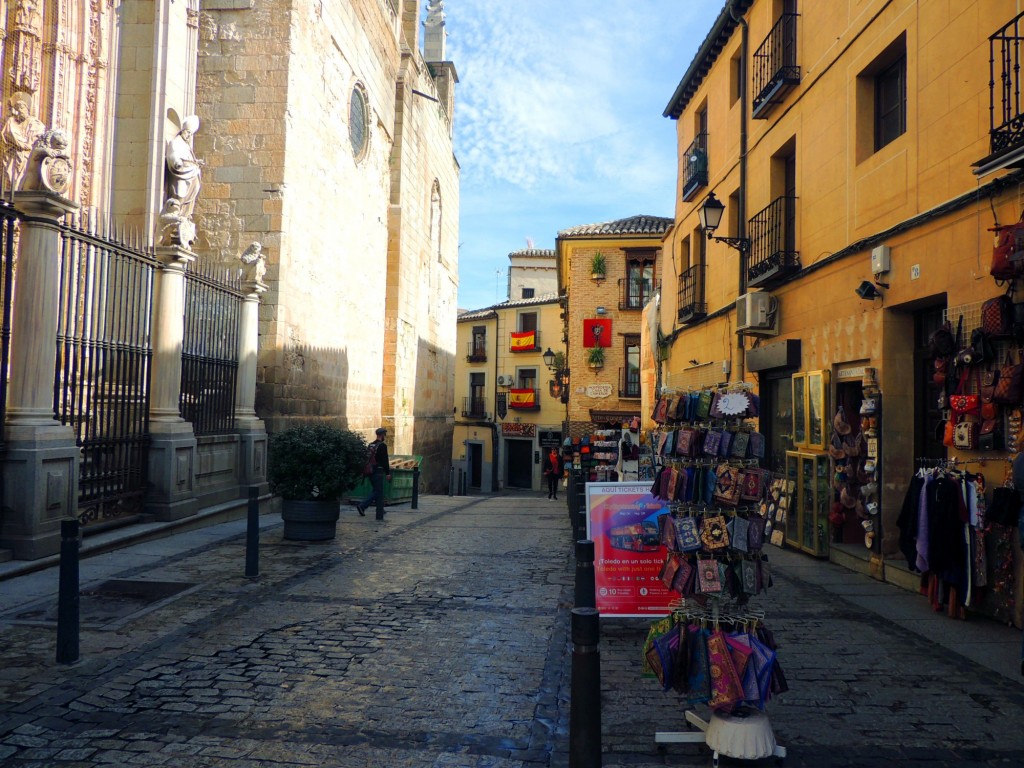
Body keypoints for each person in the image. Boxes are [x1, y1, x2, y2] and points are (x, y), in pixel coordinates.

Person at [1, 93, 44, 191]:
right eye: (17, 109)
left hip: (27, 156)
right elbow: (7, 135)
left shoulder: (34, 123)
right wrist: (21, 143)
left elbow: (36, 139)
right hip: (14, 155)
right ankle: (11, 191)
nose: (19, 111)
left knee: (23, 177)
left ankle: (19, 191)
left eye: (21, 108)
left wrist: (26, 145)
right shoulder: (12, 122)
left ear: (27, 109)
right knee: (11, 177)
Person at [163, 115, 203, 220]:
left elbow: (189, 158)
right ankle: (174, 211)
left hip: (190, 172)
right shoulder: (176, 142)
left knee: (193, 189)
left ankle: (184, 213)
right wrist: (177, 162)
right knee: (180, 192)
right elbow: (172, 154)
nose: (189, 136)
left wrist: (196, 162)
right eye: (188, 133)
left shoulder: (186, 146)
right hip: (181, 172)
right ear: (183, 131)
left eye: (190, 134)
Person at [357, 427, 391, 520]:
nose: (385, 437)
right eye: (384, 435)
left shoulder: (371, 445)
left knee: (377, 490)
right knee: (378, 491)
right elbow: (385, 460)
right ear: (382, 435)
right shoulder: (382, 446)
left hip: (370, 471)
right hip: (377, 471)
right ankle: (362, 506)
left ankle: (380, 509)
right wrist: (388, 473)